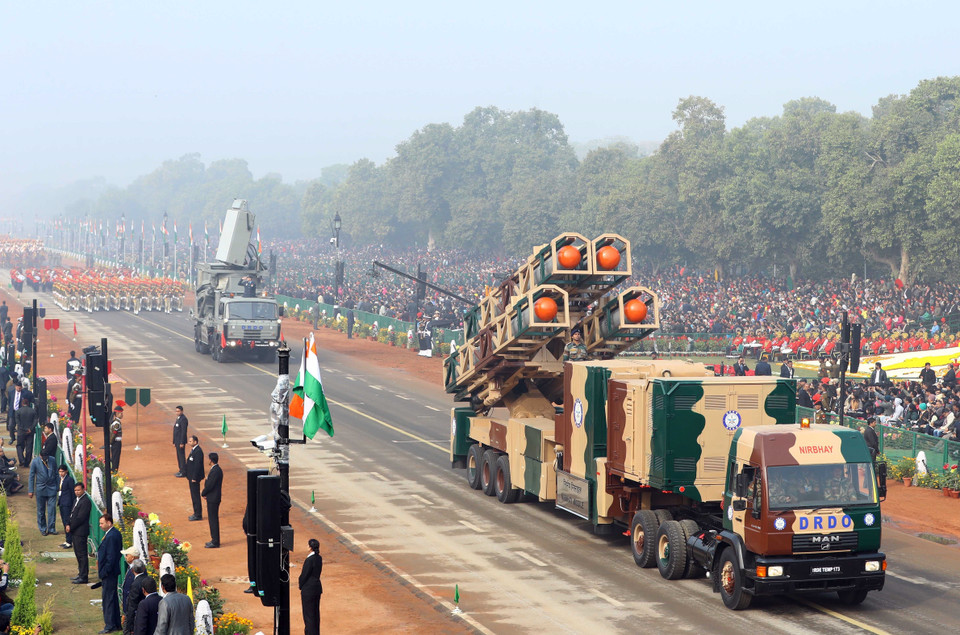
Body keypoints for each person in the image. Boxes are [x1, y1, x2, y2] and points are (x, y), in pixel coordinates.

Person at [97, 513, 123, 634]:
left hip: (109, 573)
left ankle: (110, 625)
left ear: (109, 523)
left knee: (108, 599)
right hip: (111, 572)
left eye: (102, 523)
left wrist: (104, 572)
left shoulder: (112, 536)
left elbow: (111, 557)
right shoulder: (113, 533)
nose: (100, 525)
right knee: (112, 598)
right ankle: (116, 623)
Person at [27, 452, 58, 535]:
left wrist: (57, 487)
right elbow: (31, 476)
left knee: (52, 510)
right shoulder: (35, 461)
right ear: (40, 455)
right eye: (43, 457)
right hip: (41, 489)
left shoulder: (52, 460)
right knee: (41, 510)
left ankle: (51, 528)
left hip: (52, 488)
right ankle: (43, 528)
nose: (45, 458)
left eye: (46, 457)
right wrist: (31, 490)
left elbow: (56, 473)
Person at [298, 538, 323, 635]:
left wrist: (300, 585)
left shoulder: (309, 560)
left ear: (310, 547)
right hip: (317, 588)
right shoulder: (319, 558)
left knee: (308, 615)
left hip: (308, 590)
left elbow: (304, 575)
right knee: (315, 614)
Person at [68, 481, 91, 583]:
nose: (77, 492)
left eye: (78, 490)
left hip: (80, 532)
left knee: (82, 555)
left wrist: (71, 527)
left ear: (83, 490)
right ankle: (80, 573)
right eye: (75, 490)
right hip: (75, 531)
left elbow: (80, 518)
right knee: (78, 554)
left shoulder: (85, 501)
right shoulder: (77, 500)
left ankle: (84, 576)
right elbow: (72, 514)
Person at [201, 452, 222, 548]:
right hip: (213, 497)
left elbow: (210, 485)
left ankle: (215, 541)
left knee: (213, 520)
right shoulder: (216, 470)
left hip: (213, 499)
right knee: (213, 519)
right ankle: (214, 540)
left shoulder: (215, 471)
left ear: (211, 460)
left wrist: (203, 493)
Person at [123, 559, 147, 635]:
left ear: (132, 570)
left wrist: (130, 626)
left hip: (137, 616)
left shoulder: (135, 584)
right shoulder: (149, 580)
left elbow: (132, 605)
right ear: (144, 568)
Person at [185, 436, 205, 521]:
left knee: (196, 496)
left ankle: (198, 514)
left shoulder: (198, 452)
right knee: (193, 495)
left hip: (194, 478)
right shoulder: (194, 450)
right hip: (191, 477)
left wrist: (194, 477)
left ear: (195, 442)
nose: (189, 442)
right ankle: (196, 513)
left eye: (190, 441)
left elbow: (197, 466)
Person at [57, 465, 75, 549]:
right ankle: (67, 540)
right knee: (64, 522)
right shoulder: (61, 479)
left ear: (66, 471)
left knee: (68, 522)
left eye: (62, 471)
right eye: (60, 472)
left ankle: (69, 541)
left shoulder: (69, 480)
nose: (61, 473)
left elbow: (72, 493)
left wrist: (72, 505)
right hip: (62, 503)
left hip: (67, 504)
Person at [14, 395, 36, 467]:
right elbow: (35, 421)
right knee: (29, 447)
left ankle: (22, 460)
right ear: (28, 403)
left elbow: (18, 423)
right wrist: (30, 428)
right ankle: (27, 463)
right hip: (30, 432)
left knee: (19, 446)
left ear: (22, 403)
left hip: (21, 432)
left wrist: (24, 429)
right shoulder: (33, 411)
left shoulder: (18, 411)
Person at [172, 406, 187, 478]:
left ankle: (183, 472)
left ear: (182, 411)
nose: (177, 412)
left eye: (178, 411)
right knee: (178, 456)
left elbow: (183, 432)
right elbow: (175, 431)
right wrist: (174, 442)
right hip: (177, 441)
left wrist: (181, 442)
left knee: (181, 456)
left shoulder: (183, 419)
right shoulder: (179, 419)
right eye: (176, 411)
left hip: (180, 441)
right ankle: (181, 470)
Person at [110, 403, 124, 472]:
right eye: (121, 413)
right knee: (115, 459)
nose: (122, 414)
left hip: (114, 442)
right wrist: (110, 442)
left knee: (114, 458)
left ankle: (113, 471)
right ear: (117, 414)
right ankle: (114, 472)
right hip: (116, 443)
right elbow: (113, 434)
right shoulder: (117, 424)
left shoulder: (115, 422)